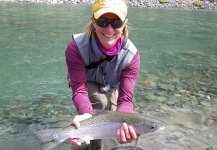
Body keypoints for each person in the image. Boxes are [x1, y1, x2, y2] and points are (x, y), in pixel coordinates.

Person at [65, 0, 140, 149]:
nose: (109, 29)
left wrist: (124, 124)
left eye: (116, 23)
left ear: (124, 24)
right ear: (93, 21)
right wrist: (86, 115)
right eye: (103, 21)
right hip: (86, 84)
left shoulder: (131, 56)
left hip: (111, 87)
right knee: (100, 102)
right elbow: (79, 89)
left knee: (112, 123)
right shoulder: (76, 48)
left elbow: (125, 99)